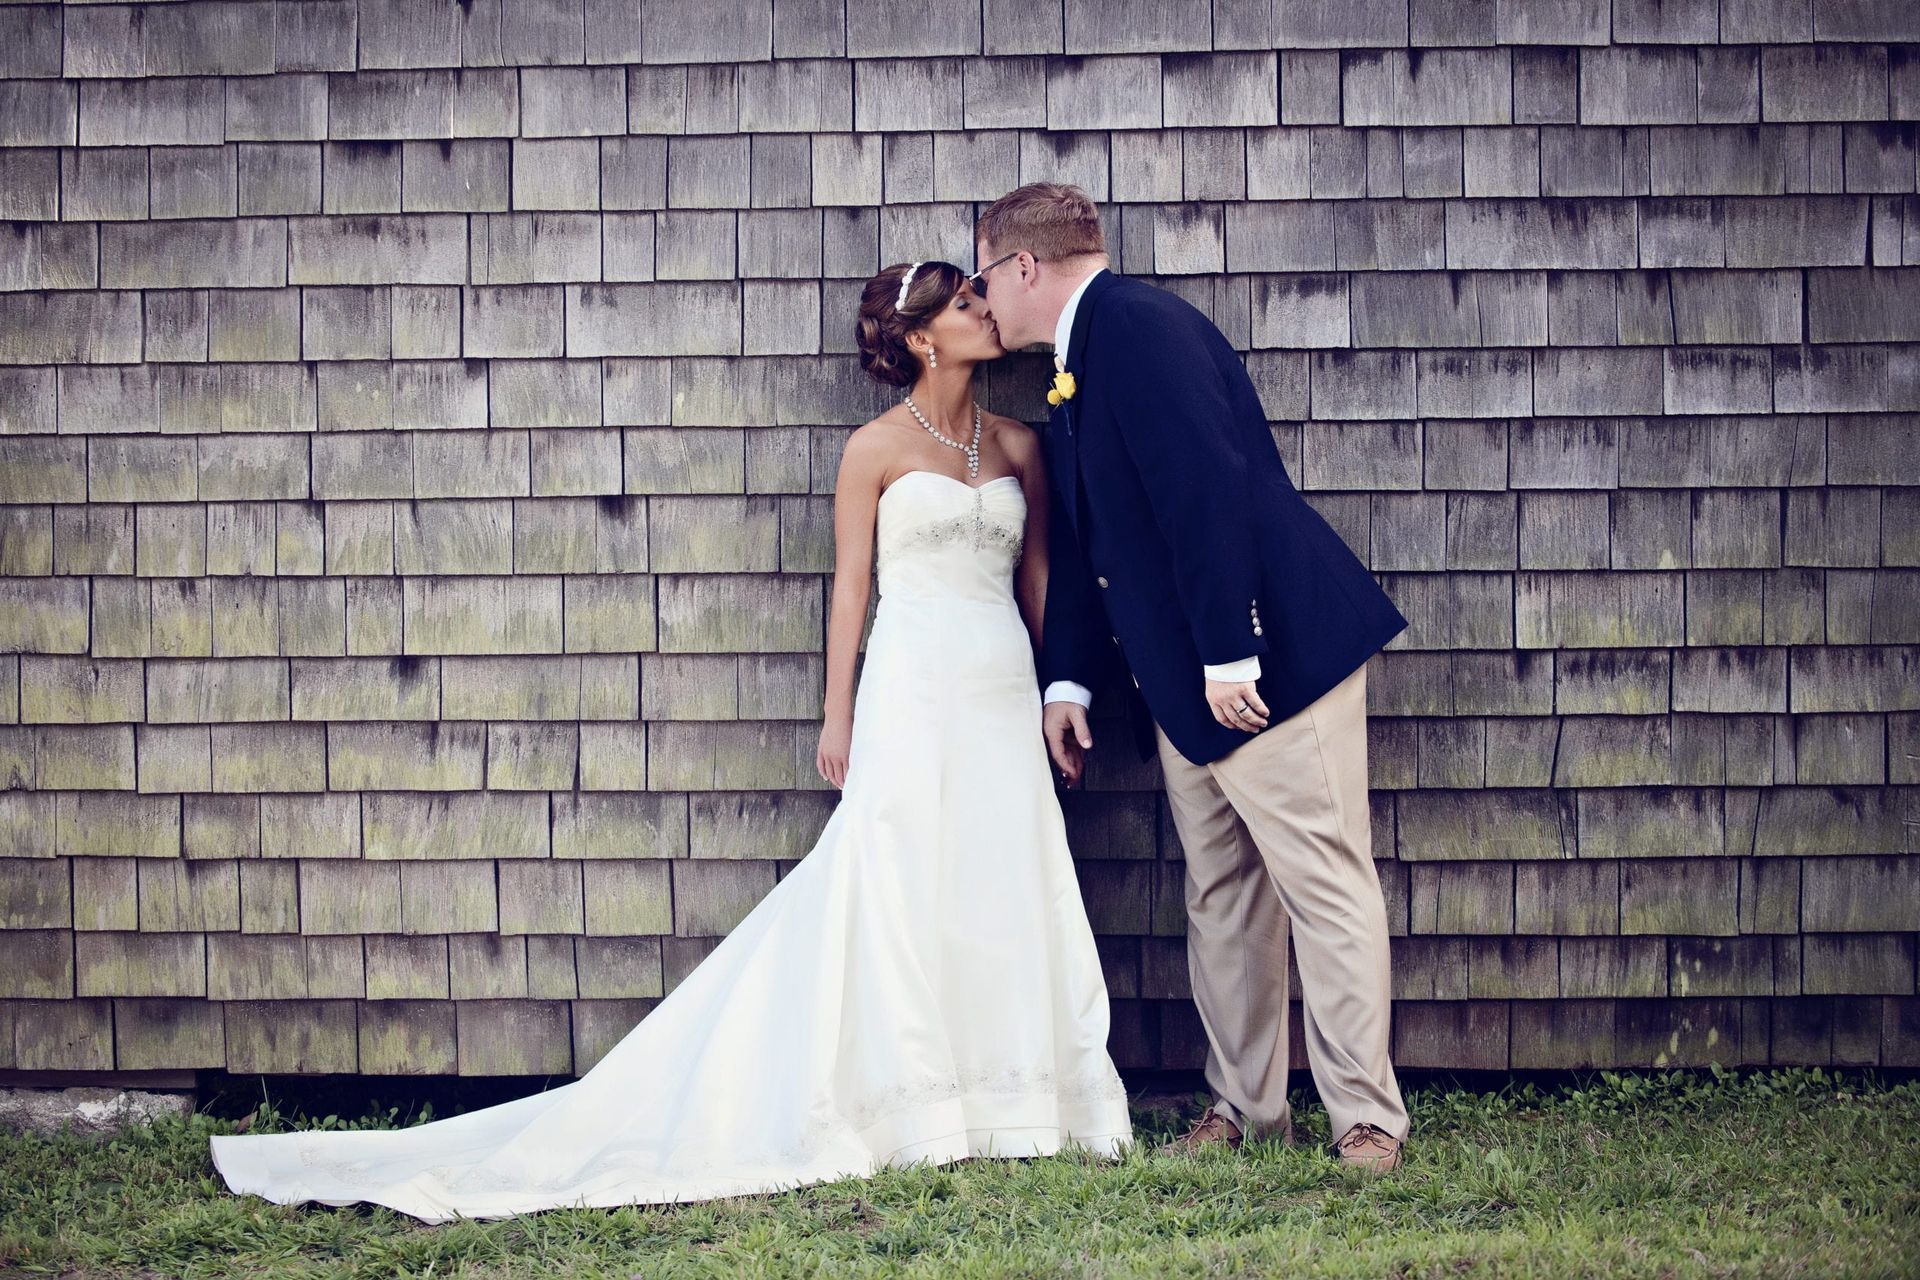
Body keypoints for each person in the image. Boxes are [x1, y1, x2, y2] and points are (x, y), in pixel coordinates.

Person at [207, 261, 1134, 1223]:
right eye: (965, 307)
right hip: (911, 680)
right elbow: (851, 591)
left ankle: (1015, 1093)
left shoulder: (1020, 444)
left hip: (996, 683)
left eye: (983, 301)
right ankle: (916, 1098)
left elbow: (1041, 587)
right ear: (920, 339)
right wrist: (836, 714)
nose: (987, 315)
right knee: (897, 874)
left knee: (1001, 868)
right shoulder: (874, 449)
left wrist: (1053, 691)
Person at [971, 182, 1411, 1172]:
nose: (982, 298)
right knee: (1223, 894)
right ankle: (1246, 1106)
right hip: (1190, 686)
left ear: (1026, 266)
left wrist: (1228, 650)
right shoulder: (1077, 359)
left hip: (1266, 669)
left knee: (1325, 884)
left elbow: (1208, 491)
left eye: (986, 274)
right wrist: (1070, 685)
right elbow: (1096, 542)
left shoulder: (1138, 328)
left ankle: (1366, 1118)